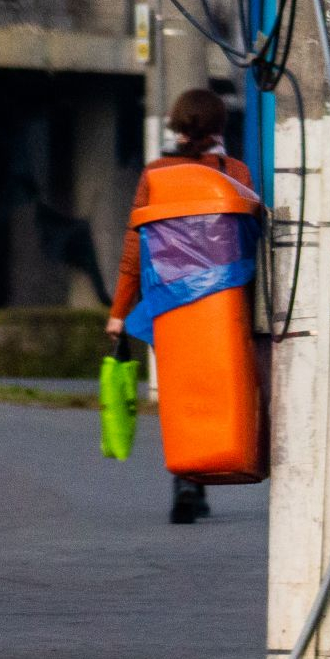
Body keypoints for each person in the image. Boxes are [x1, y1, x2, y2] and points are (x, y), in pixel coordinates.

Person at [107, 87, 253, 525]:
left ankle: (187, 479)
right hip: (223, 302)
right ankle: (209, 465)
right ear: (219, 126)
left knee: (178, 390)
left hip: (168, 303)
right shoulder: (234, 172)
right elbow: (252, 240)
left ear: (175, 123)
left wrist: (118, 312)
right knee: (220, 385)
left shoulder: (157, 174)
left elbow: (135, 247)